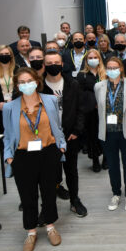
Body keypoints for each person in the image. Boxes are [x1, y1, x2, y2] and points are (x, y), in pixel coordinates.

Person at [3, 67, 66, 251]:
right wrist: (8, 157)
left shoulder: (51, 100)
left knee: (48, 192)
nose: (26, 85)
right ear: (16, 85)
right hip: (22, 156)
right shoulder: (9, 107)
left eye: (29, 81)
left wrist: (61, 146)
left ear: (37, 82)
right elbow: (8, 134)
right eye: (21, 82)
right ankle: (31, 232)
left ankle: (50, 226)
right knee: (27, 195)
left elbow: (57, 125)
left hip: (48, 153)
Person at [43, 51, 87, 217]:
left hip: (70, 136)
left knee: (71, 170)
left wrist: (77, 130)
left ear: (62, 64)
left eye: (56, 62)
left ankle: (75, 200)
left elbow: (80, 110)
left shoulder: (72, 84)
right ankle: (48, 206)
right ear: (44, 65)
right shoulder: (39, 87)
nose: (53, 65)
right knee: (49, 173)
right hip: (48, 137)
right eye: (49, 63)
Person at [95, 57, 126, 211]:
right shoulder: (99, 86)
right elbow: (100, 108)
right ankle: (116, 193)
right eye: (109, 67)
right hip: (108, 133)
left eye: (115, 67)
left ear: (121, 68)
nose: (112, 70)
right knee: (113, 165)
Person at [77, 48, 106, 172]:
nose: (93, 60)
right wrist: (94, 103)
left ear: (99, 59)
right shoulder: (81, 75)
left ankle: (106, 158)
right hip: (90, 111)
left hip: (105, 110)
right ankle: (95, 159)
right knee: (92, 136)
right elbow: (81, 94)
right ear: (86, 60)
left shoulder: (105, 74)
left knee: (106, 135)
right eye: (90, 58)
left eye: (95, 57)